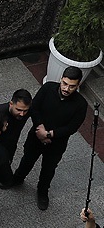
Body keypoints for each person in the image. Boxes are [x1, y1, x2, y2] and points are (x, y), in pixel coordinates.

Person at [13, 66, 88, 210]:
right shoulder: (48, 88)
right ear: (61, 79)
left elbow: (72, 127)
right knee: (27, 159)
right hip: (36, 135)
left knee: (48, 169)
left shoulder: (81, 104)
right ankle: (17, 179)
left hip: (56, 144)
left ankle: (42, 192)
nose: (66, 88)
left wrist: (48, 134)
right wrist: (40, 128)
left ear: (78, 85)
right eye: (65, 83)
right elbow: (34, 108)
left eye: (72, 86)